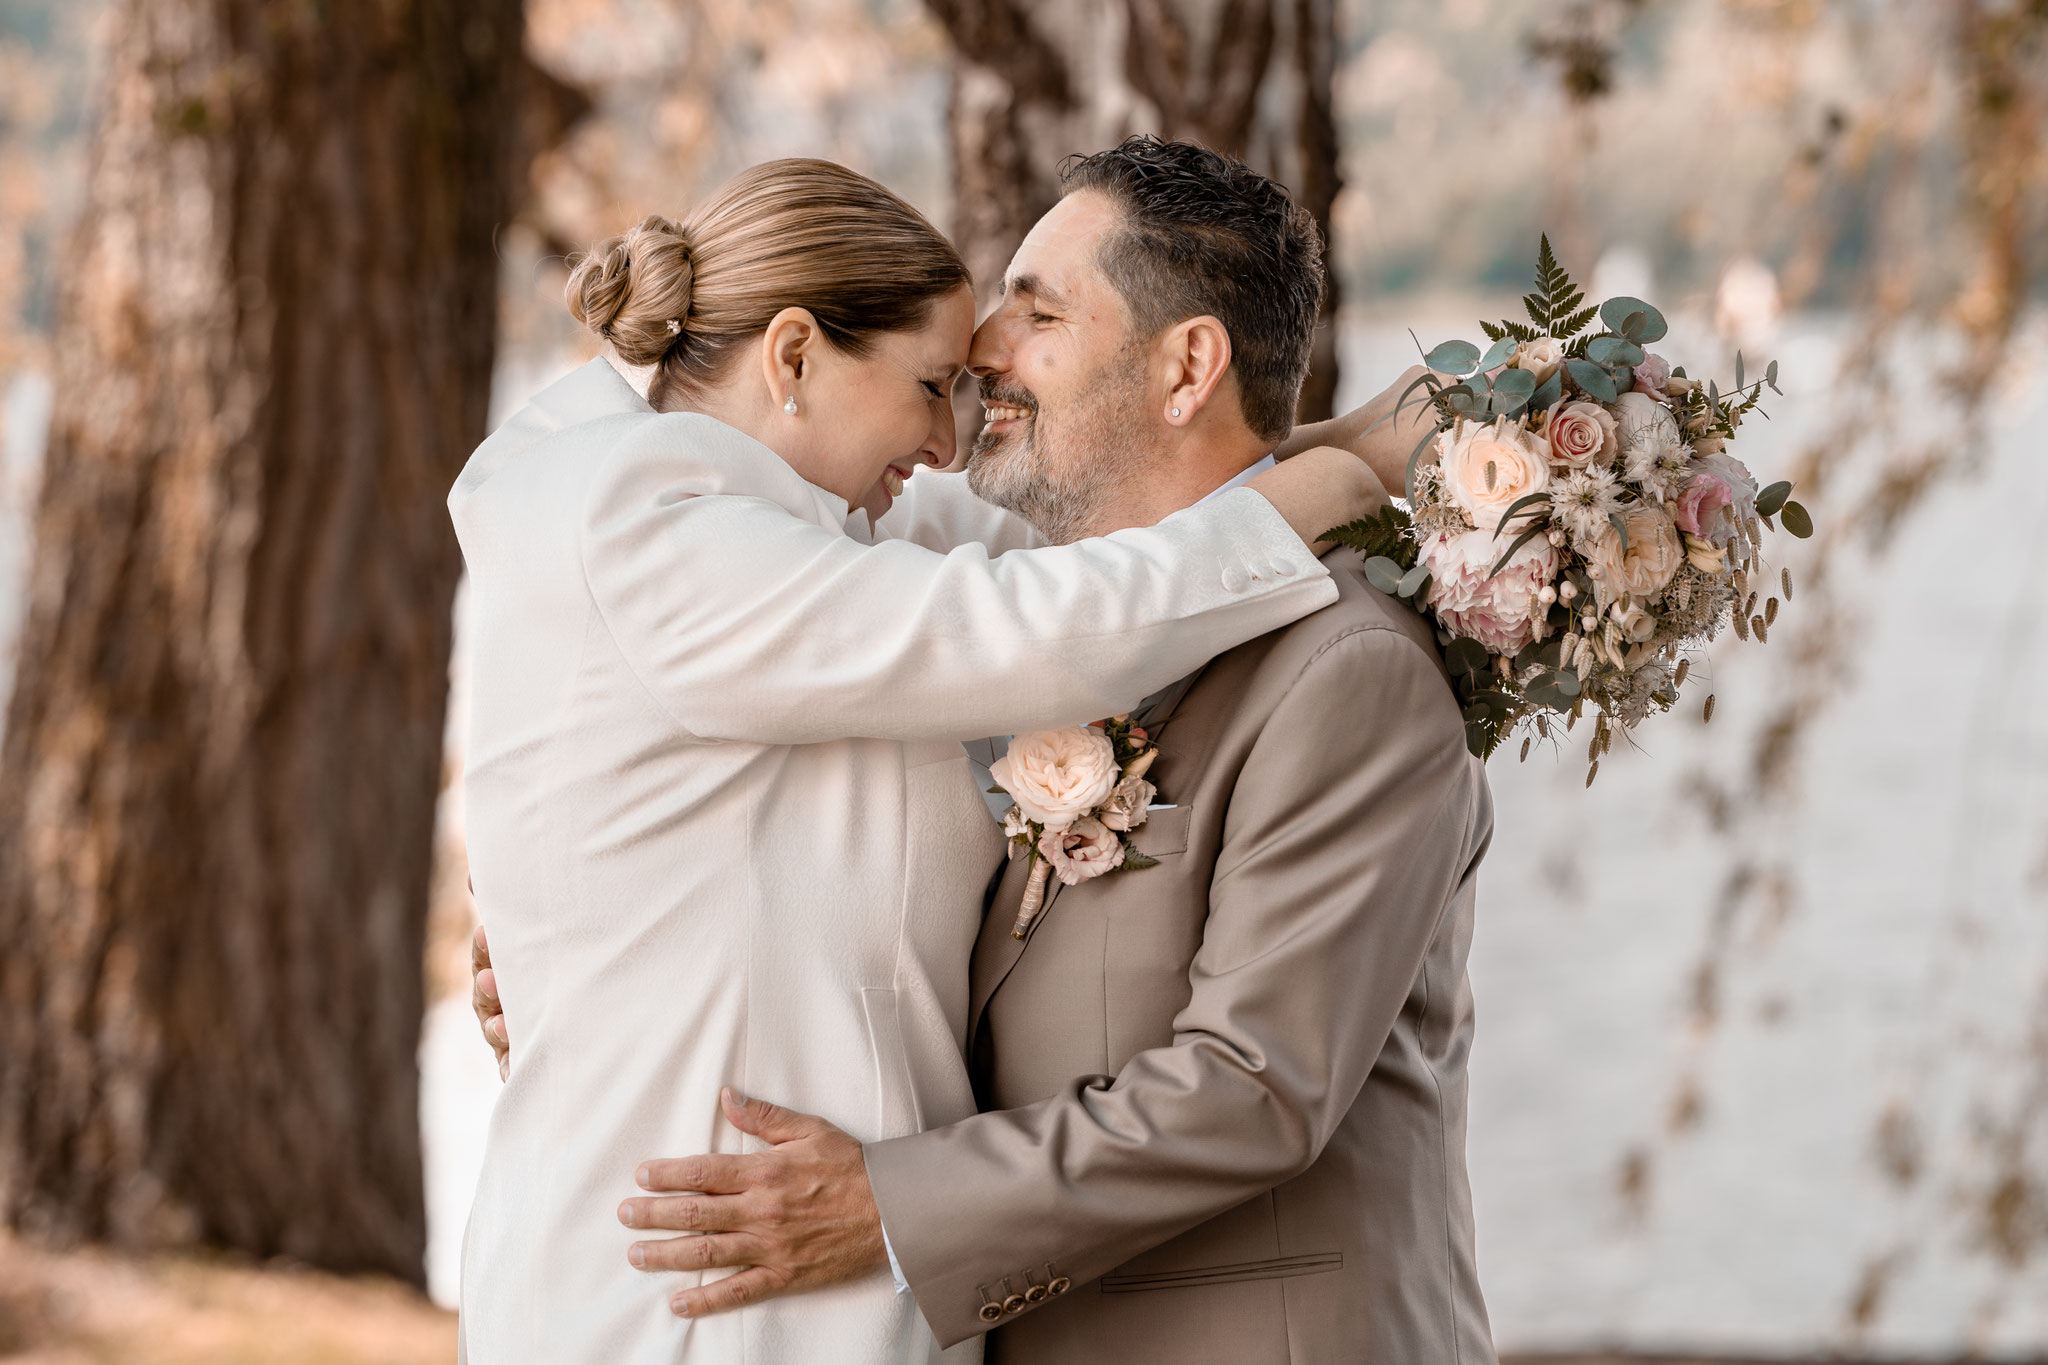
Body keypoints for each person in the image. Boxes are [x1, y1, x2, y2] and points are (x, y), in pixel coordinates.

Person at [448, 156, 1388, 1364]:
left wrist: (1331, 444)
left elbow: (1094, 534)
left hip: (838, 1274)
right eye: (930, 386)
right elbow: (1025, 631)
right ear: (792, 358)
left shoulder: (811, 513)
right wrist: (1332, 488)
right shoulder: (647, 520)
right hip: (687, 1287)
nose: (948, 441)